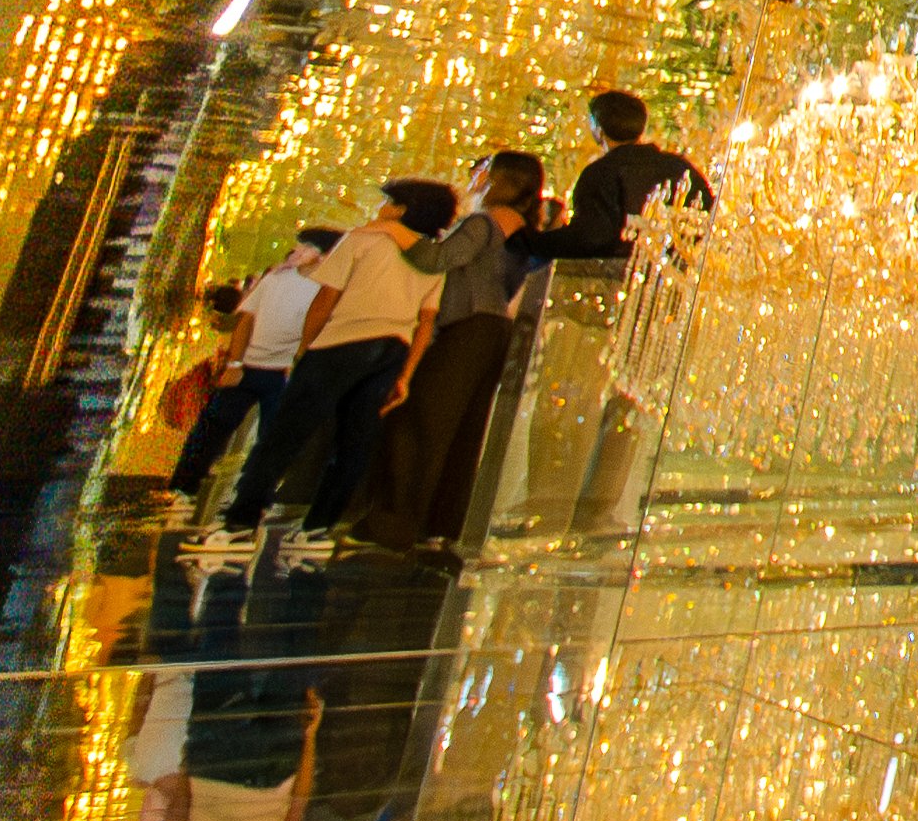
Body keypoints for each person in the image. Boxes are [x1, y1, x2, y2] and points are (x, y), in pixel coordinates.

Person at [215, 185, 457, 537]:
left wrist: (306, 348)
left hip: (340, 343)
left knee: (286, 432)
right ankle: (320, 527)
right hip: (393, 350)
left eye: (389, 202)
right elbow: (426, 322)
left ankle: (242, 518)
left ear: (404, 209)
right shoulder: (432, 258)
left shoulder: (362, 240)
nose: (381, 206)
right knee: (354, 443)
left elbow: (326, 299)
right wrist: (405, 374)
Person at [375, 153, 554, 546]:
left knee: (422, 420)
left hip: (467, 325)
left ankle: (397, 522)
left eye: (482, 171)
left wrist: (393, 231)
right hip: (494, 331)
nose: (474, 177)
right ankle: (442, 523)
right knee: (463, 431)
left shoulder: (484, 222)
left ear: (498, 179)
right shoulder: (525, 228)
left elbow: (441, 259)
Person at [175, 227, 330, 516]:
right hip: (250, 367)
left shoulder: (325, 292)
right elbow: (246, 319)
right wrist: (235, 363)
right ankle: (185, 488)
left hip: (282, 372)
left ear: (321, 255)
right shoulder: (276, 278)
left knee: (268, 438)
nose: (296, 251)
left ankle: (249, 499)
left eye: (304, 247)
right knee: (216, 427)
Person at [521, 89, 714, 265]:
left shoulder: (599, 174)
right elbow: (707, 219)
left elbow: (590, 238)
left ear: (599, 130)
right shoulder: (678, 167)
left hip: (615, 280)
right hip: (675, 276)